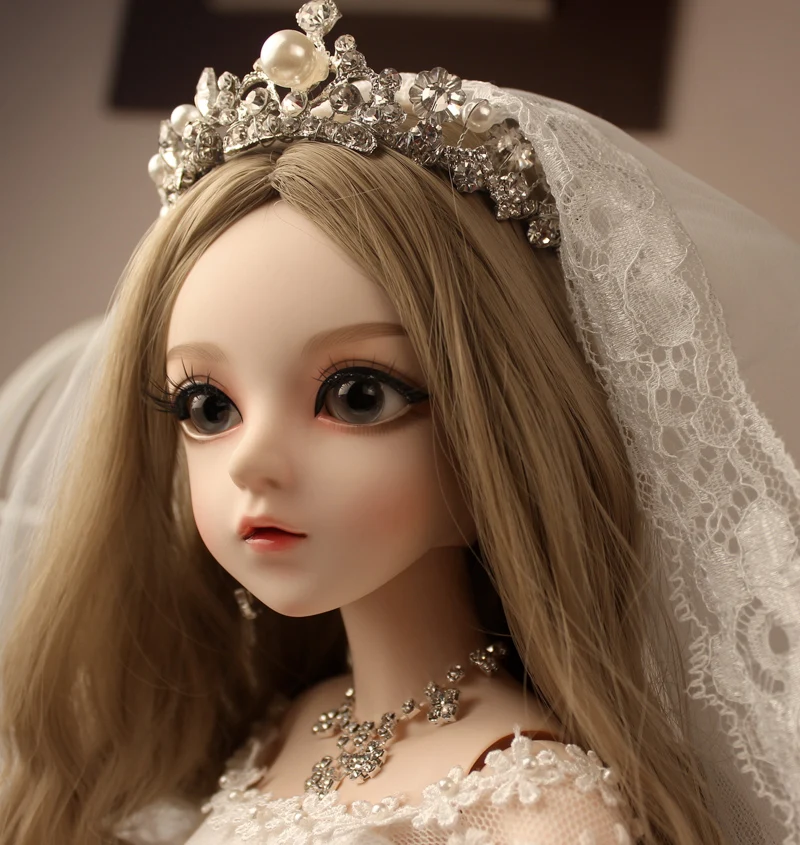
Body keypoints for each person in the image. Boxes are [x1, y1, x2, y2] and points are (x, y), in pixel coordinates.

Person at [0, 3, 798, 843]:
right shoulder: (284, 725)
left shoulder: (533, 805)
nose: (251, 463)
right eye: (208, 407)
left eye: (358, 396)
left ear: (500, 425)